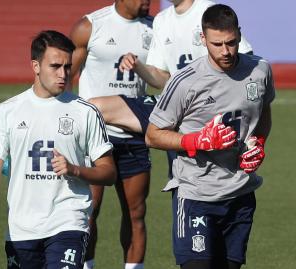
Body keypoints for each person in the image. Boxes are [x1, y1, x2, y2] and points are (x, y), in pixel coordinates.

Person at [145, 4, 274, 269]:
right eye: (217, 44)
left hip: (240, 193)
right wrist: (195, 141)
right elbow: (153, 135)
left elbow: (263, 113)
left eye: (231, 42)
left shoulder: (260, 70)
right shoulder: (184, 81)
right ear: (203, 39)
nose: (225, 51)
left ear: (239, 34)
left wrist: (258, 143)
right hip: (195, 196)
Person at [0, 30, 116, 269]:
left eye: (67, 67)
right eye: (55, 66)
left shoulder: (86, 112)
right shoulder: (7, 111)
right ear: (35, 66)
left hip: (69, 222)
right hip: (22, 229)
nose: (63, 74)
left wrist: (75, 170)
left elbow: (109, 172)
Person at [87, 0, 253, 178]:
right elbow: (161, 80)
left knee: (192, 176)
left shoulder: (208, 11)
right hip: (176, 103)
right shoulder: (162, 20)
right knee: (96, 107)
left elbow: (243, 57)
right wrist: (138, 66)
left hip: (208, 106)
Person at [69, 1, 153, 269]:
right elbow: (64, 74)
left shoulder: (155, 28)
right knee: (88, 211)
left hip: (134, 135)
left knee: (136, 212)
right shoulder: (90, 26)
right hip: (93, 136)